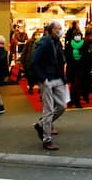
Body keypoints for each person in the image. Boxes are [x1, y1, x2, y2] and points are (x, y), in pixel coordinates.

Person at [31, 22, 68, 151]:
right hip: (47, 79)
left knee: (62, 106)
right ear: (52, 30)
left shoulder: (57, 42)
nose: (60, 31)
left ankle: (41, 124)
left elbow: (60, 60)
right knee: (48, 109)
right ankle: (47, 139)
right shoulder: (45, 42)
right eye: (58, 28)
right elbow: (34, 61)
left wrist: (63, 78)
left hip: (56, 78)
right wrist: (43, 78)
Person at [65, 30, 88, 109]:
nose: (77, 36)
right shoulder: (69, 45)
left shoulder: (84, 44)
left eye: (79, 35)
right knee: (73, 84)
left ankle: (76, 101)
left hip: (81, 67)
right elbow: (67, 55)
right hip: (72, 67)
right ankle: (72, 100)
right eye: (76, 35)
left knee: (77, 84)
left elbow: (86, 56)